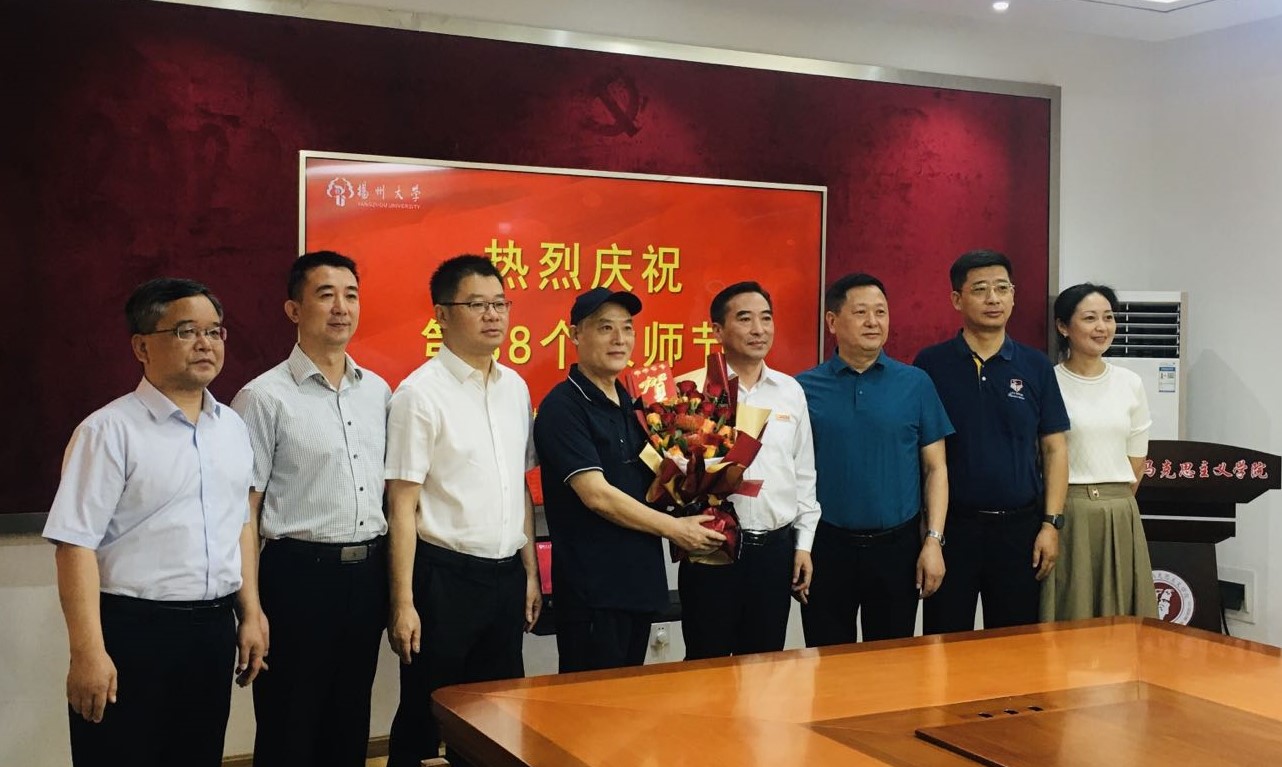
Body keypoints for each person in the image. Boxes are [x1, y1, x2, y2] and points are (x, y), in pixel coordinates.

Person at [43, 278, 267, 767]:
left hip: (212, 629)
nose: (205, 343)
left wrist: (250, 613)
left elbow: (239, 525)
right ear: (142, 347)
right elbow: (74, 545)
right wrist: (87, 652)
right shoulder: (108, 431)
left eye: (214, 331)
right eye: (186, 331)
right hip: (134, 632)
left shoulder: (232, 428)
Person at [231, 251, 391, 767]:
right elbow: (244, 511)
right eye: (326, 295)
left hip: (367, 576)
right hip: (297, 578)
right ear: (294, 310)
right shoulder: (262, 397)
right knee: (289, 725)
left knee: (350, 720)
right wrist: (250, 608)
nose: (341, 307)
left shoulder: (378, 392)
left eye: (351, 295)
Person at [383, 255, 541, 767]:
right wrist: (403, 603)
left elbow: (518, 486)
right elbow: (401, 505)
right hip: (443, 580)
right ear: (442, 315)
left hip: (504, 578)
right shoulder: (419, 394)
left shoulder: (515, 388)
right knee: (427, 710)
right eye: (477, 304)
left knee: (496, 715)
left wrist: (530, 573)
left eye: (500, 304)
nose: (493, 315)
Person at [533, 287, 725, 673]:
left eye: (627, 328)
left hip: (638, 584)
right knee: (589, 704)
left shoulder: (636, 405)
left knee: (628, 700)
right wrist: (676, 529)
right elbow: (597, 496)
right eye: (605, 328)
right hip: (593, 591)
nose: (619, 339)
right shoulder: (562, 407)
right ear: (575, 335)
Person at [914, 250, 1070, 633]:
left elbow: (1054, 449)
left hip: (1019, 529)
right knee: (946, 643)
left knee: (1015, 645)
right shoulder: (930, 366)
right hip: (953, 528)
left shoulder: (1036, 366)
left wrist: (1051, 524)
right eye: (980, 289)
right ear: (957, 299)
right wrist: (929, 534)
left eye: (1002, 288)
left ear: (1014, 296)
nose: (993, 299)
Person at [797, 273, 952, 645]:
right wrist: (800, 546)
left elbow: (936, 469)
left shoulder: (916, 383)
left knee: (893, 662)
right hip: (827, 546)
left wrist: (933, 541)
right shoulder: (803, 388)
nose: (873, 322)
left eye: (880, 312)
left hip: (897, 548)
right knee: (828, 660)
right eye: (861, 312)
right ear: (832, 321)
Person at [676, 281, 820, 659]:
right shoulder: (691, 390)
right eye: (744, 319)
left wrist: (803, 545)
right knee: (705, 668)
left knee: (765, 667)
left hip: (774, 552)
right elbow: (673, 473)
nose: (759, 329)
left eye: (766, 318)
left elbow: (803, 474)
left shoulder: (790, 391)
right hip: (712, 550)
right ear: (718, 330)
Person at [1041, 283, 1158, 620]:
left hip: (1120, 512)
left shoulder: (1130, 383)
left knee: (1120, 618)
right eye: (1090, 318)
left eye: (1108, 317)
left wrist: (1113, 502)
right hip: (1067, 511)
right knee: (1069, 613)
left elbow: (1137, 461)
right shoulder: (1048, 381)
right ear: (1063, 327)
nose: (1102, 327)